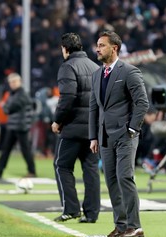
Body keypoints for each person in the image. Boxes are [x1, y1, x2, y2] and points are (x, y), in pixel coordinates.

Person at [89, 31, 149, 237]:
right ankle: (121, 225)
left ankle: (135, 226)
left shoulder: (130, 71)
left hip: (125, 135)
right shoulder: (97, 74)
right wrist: (93, 137)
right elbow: (94, 108)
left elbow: (142, 102)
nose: (98, 49)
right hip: (104, 137)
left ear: (114, 48)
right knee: (112, 181)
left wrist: (133, 129)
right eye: (97, 45)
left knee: (125, 177)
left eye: (102, 45)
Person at [51, 32, 101, 223]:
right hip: (92, 130)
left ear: (65, 49)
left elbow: (67, 98)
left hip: (72, 128)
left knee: (62, 166)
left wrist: (57, 121)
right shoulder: (95, 67)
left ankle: (71, 209)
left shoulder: (68, 67)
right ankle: (92, 213)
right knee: (90, 169)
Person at [0, 73, 36, 179]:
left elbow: (9, 108)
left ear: (20, 82)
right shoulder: (12, 94)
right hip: (13, 125)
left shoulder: (22, 94)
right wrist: (6, 107)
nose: (12, 84)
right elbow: (6, 108)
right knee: (6, 149)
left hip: (21, 126)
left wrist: (6, 106)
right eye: (11, 82)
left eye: (14, 81)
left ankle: (32, 171)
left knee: (25, 150)